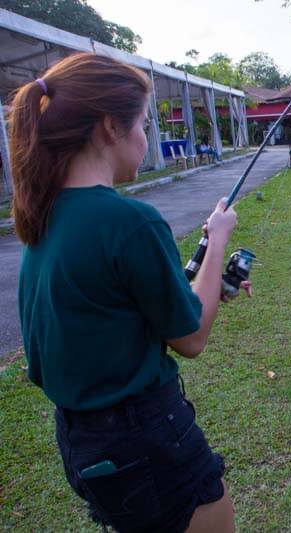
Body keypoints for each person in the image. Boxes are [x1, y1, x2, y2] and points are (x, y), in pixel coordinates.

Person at [10, 53, 251, 532]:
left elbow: (114, 316)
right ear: (109, 127)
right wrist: (219, 236)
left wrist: (209, 285)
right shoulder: (130, 221)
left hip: (83, 443)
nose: (146, 137)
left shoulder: (43, 216)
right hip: (145, 439)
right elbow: (191, 339)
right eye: (144, 123)